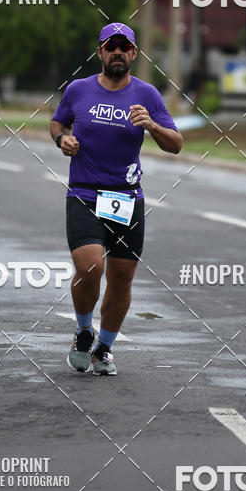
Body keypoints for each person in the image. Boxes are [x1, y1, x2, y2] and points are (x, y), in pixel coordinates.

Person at [50, 22, 182, 376]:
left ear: (134, 53)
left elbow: (176, 144)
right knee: (90, 266)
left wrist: (152, 126)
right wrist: (62, 140)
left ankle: (104, 348)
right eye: (112, 47)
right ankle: (83, 331)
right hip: (84, 193)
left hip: (126, 198)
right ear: (100, 52)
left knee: (121, 277)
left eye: (125, 47)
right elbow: (57, 123)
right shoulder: (79, 89)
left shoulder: (147, 95)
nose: (118, 53)